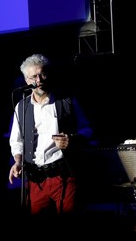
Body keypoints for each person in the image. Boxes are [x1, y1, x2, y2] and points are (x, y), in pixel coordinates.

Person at [8, 53, 93, 227]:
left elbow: (87, 130)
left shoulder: (67, 101)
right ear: (27, 80)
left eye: (42, 74)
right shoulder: (22, 107)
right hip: (36, 179)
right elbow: (16, 141)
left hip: (64, 175)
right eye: (34, 76)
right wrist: (18, 161)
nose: (39, 80)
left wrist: (72, 140)